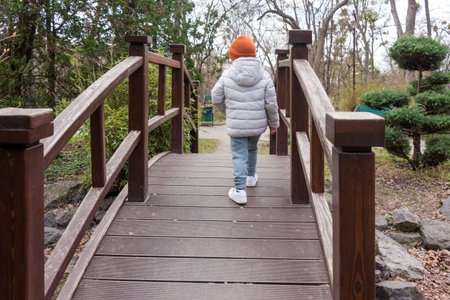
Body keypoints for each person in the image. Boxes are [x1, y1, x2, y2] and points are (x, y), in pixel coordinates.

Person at [211, 35, 279, 205]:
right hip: (257, 126)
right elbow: (271, 103)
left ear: (233, 56)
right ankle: (250, 177)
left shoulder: (227, 75)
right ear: (253, 54)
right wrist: (274, 123)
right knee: (252, 149)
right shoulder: (264, 75)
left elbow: (215, 97)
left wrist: (229, 111)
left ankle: (240, 190)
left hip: (237, 125)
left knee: (239, 155)